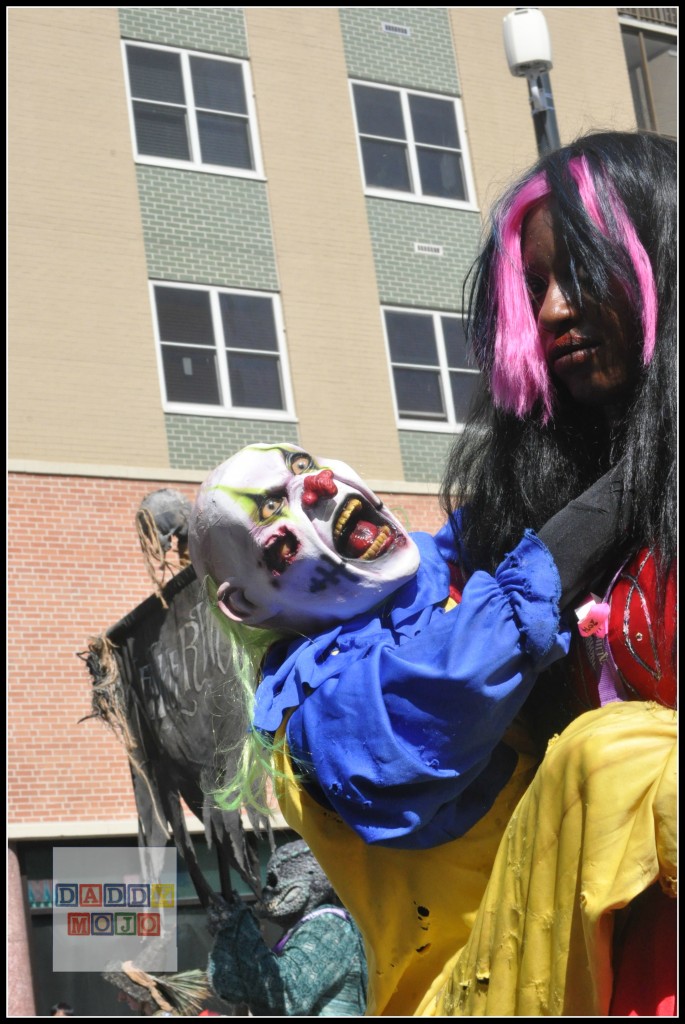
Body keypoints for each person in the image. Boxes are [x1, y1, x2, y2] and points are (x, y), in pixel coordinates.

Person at [188, 436, 633, 1016]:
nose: (318, 485)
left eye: (305, 465)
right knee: (620, 754)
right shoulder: (317, 722)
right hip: (490, 992)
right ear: (245, 603)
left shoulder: (450, 568)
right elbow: (459, 677)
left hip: (597, 925)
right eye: (272, 509)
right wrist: (633, 477)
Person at [428, 129, 676, 1015]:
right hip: (590, 964)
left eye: (581, 268)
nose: (554, 309)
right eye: (533, 285)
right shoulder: (522, 532)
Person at [207, 839, 368, 1015]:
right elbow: (233, 990)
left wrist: (240, 926)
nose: (267, 890)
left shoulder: (330, 926)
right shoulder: (299, 931)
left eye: (274, 880)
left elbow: (285, 997)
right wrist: (229, 936)